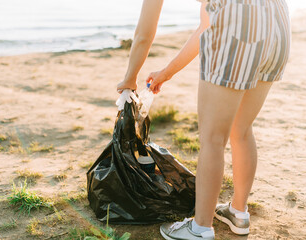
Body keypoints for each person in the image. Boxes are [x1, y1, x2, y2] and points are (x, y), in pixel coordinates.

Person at [117, 0, 291, 239]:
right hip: (276, 20)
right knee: (241, 130)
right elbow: (207, 25)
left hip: (236, 22)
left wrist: (130, 77)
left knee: (212, 138)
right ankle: (238, 213)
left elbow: (144, 34)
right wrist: (167, 72)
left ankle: (200, 228)